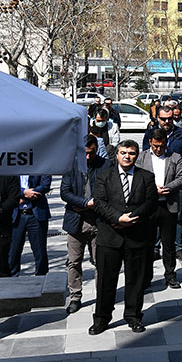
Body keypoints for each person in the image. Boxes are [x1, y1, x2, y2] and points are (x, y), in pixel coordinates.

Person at [90, 140, 159, 334]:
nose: (127, 156)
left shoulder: (146, 177)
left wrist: (132, 218)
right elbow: (99, 202)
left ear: (136, 156)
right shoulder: (104, 176)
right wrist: (118, 218)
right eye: (123, 152)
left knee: (135, 280)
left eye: (131, 153)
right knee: (106, 281)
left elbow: (151, 202)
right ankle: (101, 318)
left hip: (137, 236)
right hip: (110, 236)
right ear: (116, 155)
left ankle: (133, 316)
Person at [60, 135, 109, 314]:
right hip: (76, 222)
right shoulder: (71, 165)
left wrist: (93, 204)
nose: (89, 157)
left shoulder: (105, 165)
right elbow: (65, 192)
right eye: (86, 153)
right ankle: (75, 296)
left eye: (92, 153)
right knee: (74, 261)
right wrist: (84, 203)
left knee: (100, 262)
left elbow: (108, 190)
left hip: (98, 221)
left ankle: (102, 295)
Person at [136, 128, 182, 289]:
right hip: (149, 206)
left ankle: (170, 275)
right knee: (147, 243)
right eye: (156, 146)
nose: (159, 149)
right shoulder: (142, 157)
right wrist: (152, 190)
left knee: (169, 243)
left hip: (168, 205)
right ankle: (146, 277)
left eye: (162, 146)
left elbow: (181, 177)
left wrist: (169, 187)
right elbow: (136, 179)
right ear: (150, 142)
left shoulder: (175, 157)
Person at [7, 173, 51, 276]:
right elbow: (8, 185)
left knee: (40, 251)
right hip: (17, 214)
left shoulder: (40, 164)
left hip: (36, 214)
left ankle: (41, 278)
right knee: (13, 251)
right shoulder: (14, 164)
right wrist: (23, 193)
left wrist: (28, 195)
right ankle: (12, 279)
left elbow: (45, 185)